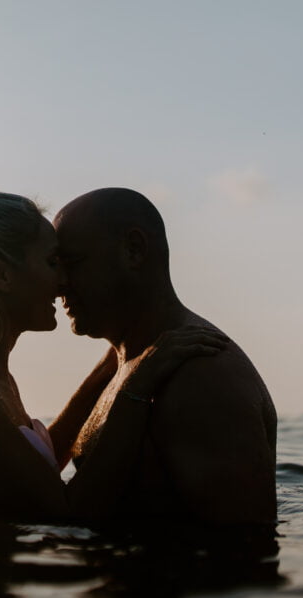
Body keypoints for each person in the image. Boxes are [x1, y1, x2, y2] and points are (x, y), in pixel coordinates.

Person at [0, 181, 227, 521]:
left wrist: (121, 358)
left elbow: (37, 468)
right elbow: (65, 512)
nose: (66, 282)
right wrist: (135, 386)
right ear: (1, 275)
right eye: (52, 262)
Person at [53, 188, 277, 528]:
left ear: (134, 250)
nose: (59, 285)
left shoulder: (200, 374)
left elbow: (245, 551)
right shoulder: (133, 359)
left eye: (72, 264)